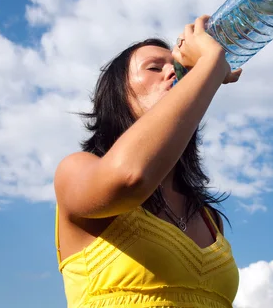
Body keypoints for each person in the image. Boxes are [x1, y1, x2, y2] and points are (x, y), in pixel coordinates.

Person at [54, 15, 243, 308]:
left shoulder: (209, 218)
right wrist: (211, 63)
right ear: (117, 96)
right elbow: (129, 178)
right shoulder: (75, 171)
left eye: (178, 67)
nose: (173, 73)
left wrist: (207, 67)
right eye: (154, 68)